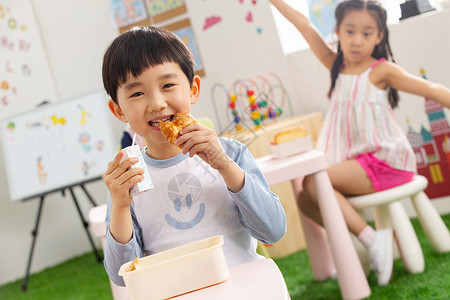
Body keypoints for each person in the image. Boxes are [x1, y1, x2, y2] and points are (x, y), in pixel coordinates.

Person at [270, 0, 450, 286]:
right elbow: (303, 24)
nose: (356, 40)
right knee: (305, 199)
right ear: (337, 30)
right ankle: (373, 240)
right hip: (358, 164)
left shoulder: (382, 71)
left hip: (385, 161)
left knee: (312, 183)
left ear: (379, 36)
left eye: (367, 33)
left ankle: (372, 239)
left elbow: (431, 89)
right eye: (350, 31)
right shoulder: (336, 67)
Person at [101, 26, 287, 286]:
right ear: (118, 110)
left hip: (244, 287)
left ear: (193, 89)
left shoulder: (230, 153)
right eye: (137, 93)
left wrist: (224, 166)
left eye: (167, 85)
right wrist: (120, 206)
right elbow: (122, 275)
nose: (156, 103)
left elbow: (273, 230)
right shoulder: (129, 177)